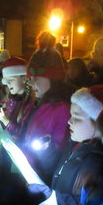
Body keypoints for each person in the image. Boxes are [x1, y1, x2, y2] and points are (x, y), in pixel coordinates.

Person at [24, 32, 74, 184]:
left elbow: (54, 162)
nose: (32, 84)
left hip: (41, 182)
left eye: (36, 78)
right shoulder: (41, 104)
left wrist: (45, 150)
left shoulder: (63, 110)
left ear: (53, 77)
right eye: (30, 78)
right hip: (31, 177)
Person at [0, 56, 35, 142]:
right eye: (6, 80)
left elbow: (23, 134)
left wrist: (6, 122)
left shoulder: (31, 103)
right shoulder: (11, 101)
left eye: (11, 79)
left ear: (24, 79)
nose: (8, 83)